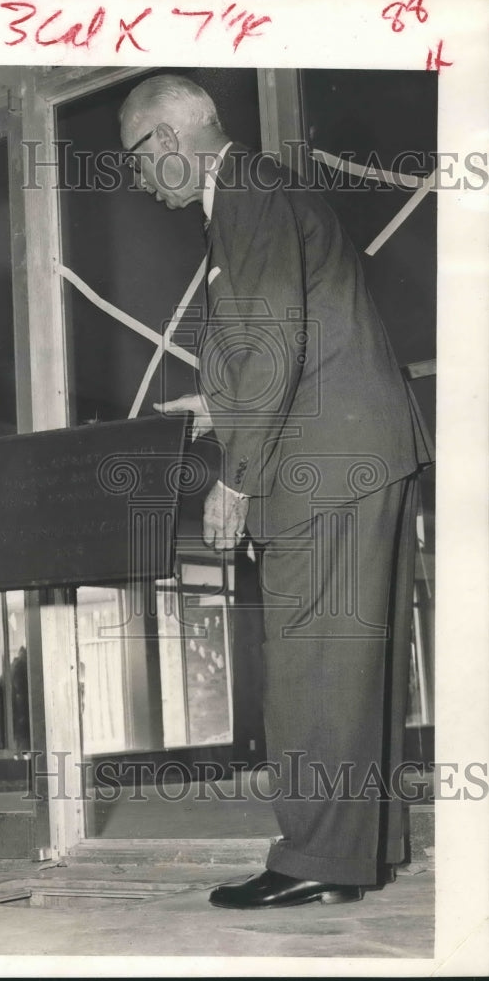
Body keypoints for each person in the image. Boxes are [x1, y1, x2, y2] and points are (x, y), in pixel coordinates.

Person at [119, 76, 433, 909]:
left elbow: (274, 343)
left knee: (309, 661)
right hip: (366, 451)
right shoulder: (262, 191)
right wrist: (218, 404)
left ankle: (315, 861)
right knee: (353, 665)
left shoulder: (243, 192)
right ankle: (362, 853)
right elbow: (301, 332)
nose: (142, 182)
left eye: (139, 160)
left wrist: (236, 476)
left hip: (324, 464)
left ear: (167, 140)